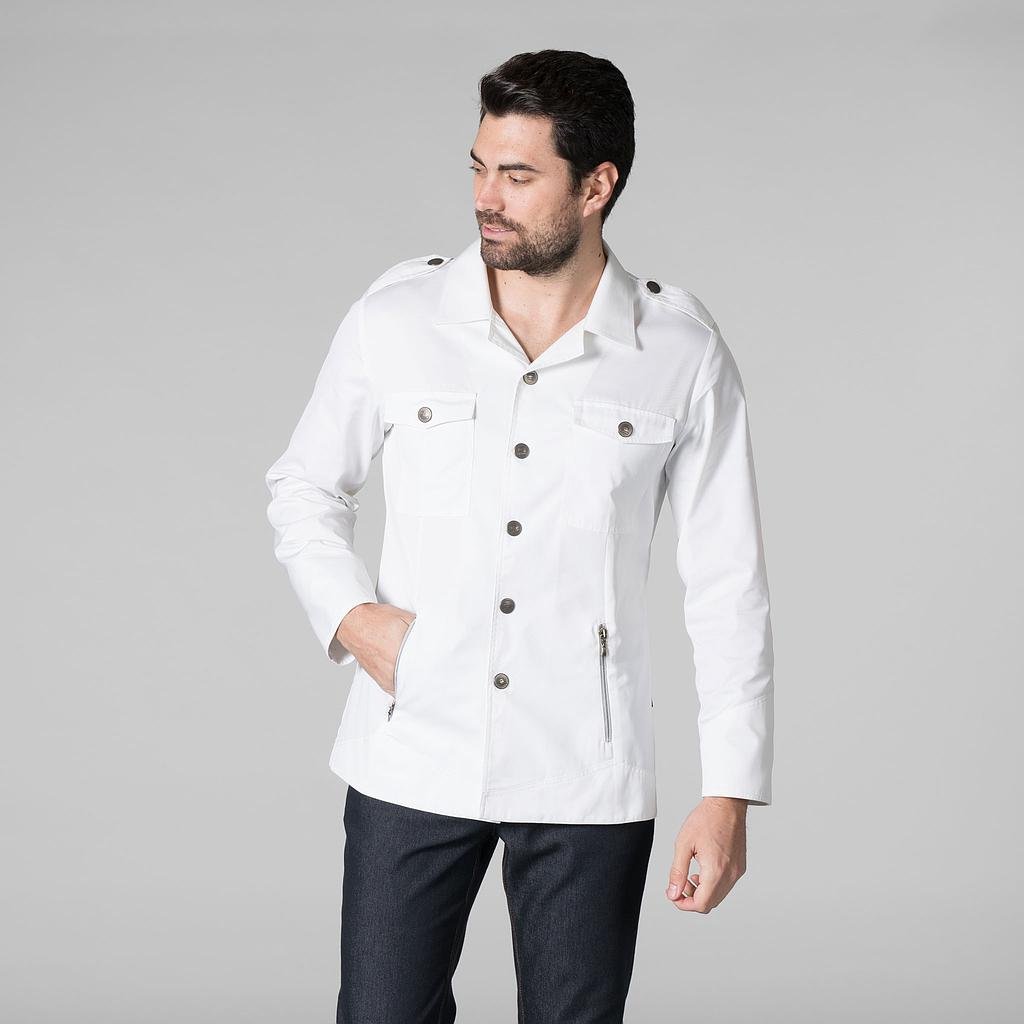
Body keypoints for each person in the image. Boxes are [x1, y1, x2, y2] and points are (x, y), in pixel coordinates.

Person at [264, 48, 775, 1024]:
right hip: (412, 747)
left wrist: (729, 790)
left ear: (596, 186)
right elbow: (302, 485)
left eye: (517, 175)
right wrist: (353, 617)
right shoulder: (397, 318)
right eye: (477, 166)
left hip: (586, 764)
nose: (484, 198)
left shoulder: (680, 352)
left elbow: (727, 581)